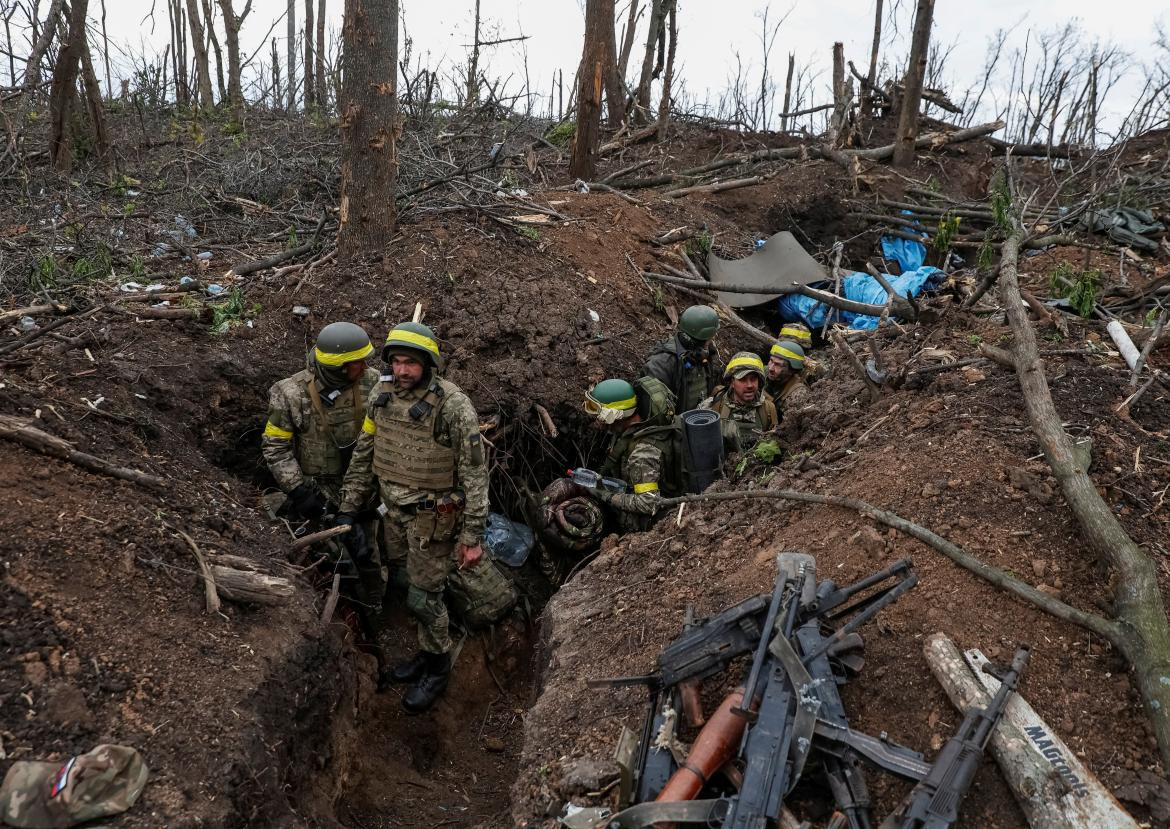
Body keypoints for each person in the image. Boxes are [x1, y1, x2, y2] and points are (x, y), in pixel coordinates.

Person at [337, 321, 514, 712]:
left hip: (433, 522)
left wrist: (472, 536)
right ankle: (424, 652)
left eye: (410, 364)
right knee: (406, 585)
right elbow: (366, 452)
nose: (402, 371)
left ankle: (437, 667)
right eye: (397, 362)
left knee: (423, 597)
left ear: (428, 364)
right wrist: (350, 505)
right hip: (392, 515)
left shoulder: (453, 405)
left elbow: (474, 474)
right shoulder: (380, 395)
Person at [261, 321, 388, 618]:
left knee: (369, 550)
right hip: (319, 490)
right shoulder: (289, 393)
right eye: (357, 362)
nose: (364, 366)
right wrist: (298, 489)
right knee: (335, 553)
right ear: (338, 367)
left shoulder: (374, 383)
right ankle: (342, 605)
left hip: (366, 483)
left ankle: (376, 603)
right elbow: (275, 447)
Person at [581, 376, 684, 532]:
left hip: (651, 526)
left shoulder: (642, 454)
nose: (598, 422)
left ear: (614, 415)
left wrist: (606, 496)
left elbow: (648, 503)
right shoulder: (633, 427)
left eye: (599, 415)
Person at [641, 305, 721, 412]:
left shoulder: (706, 354)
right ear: (702, 338)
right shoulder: (662, 364)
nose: (712, 339)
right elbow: (656, 413)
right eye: (711, 336)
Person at [701, 351, 778, 453]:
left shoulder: (768, 409)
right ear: (732, 382)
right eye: (742, 379)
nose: (750, 385)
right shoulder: (715, 406)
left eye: (753, 379)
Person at [765, 340, 811, 407]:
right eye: (771, 361)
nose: (770, 368)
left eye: (778, 364)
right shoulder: (763, 372)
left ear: (792, 370)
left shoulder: (798, 393)